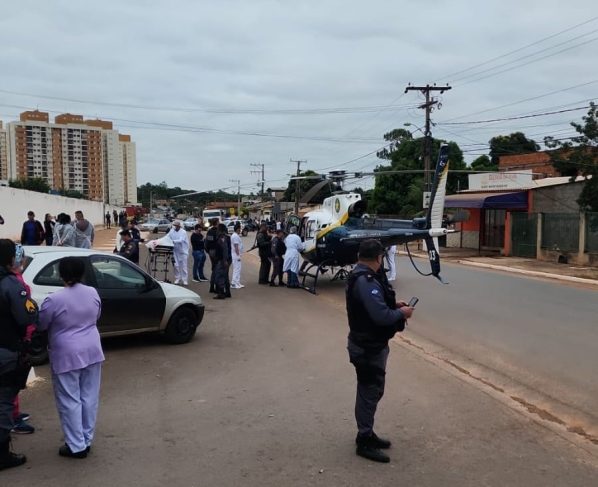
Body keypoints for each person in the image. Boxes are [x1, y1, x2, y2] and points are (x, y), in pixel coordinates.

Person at [346, 240, 414, 463]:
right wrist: (401, 313)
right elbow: (380, 316)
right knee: (369, 392)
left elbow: (374, 308)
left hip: (370, 344)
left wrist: (394, 306)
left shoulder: (362, 276)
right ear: (378, 258)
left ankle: (367, 432)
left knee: (372, 390)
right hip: (367, 348)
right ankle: (364, 439)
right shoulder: (366, 281)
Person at [39, 257, 103, 459]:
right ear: (82, 273)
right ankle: (86, 438)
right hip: (92, 349)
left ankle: (76, 446)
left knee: (69, 399)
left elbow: (42, 324)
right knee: (89, 397)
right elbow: (97, 315)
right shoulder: (92, 292)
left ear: (61, 274)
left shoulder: (55, 299)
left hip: (66, 353)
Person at [0, 239, 39, 470]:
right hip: (6, 350)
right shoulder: (12, 285)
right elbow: (27, 317)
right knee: (4, 401)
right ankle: (2, 454)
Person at [10, 245, 36, 436]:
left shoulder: (13, 279)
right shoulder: (13, 282)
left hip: (17, 336)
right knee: (11, 382)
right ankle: (12, 419)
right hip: (16, 338)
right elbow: (24, 313)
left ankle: (14, 414)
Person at [167, 220, 189, 285]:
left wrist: (172, 241)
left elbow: (181, 240)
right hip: (174, 250)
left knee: (183, 266)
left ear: (179, 226)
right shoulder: (172, 231)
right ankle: (177, 278)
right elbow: (167, 237)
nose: (174, 227)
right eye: (174, 226)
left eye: (176, 226)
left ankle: (184, 279)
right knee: (176, 265)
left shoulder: (183, 232)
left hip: (183, 251)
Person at [213, 224, 231, 299]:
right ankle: (227, 292)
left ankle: (221, 293)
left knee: (220, 276)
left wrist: (225, 260)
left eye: (218, 229)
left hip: (222, 260)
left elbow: (225, 249)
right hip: (225, 259)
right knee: (225, 276)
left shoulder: (222, 238)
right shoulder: (226, 237)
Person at [205, 218, 219, 293]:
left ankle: (212, 286)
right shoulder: (218, 231)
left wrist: (208, 251)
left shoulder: (209, 231)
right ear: (216, 223)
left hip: (211, 251)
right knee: (217, 269)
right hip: (216, 251)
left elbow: (206, 242)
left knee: (214, 268)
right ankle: (216, 286)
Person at [230, 222, 244, 289]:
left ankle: (237, 282)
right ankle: (233, 283)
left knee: (238, 269)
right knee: (236, 269)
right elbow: (236, 246)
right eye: (240, 229)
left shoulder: (235, 235)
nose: (241, 230)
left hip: (236, 255)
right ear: (238, 229)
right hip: (236, 255)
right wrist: (238, 255)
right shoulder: (235, 236)